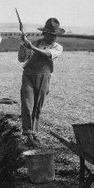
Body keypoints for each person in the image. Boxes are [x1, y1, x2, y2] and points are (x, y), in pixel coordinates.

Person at [18, 18, 64, 146]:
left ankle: (34, 133)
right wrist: (23, 44)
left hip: (44, 77)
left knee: (38, 106)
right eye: (51, 34)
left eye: (55, 35)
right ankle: (28, 134)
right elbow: (21, 59)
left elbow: (48, 54)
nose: (54, 37)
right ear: (45, 33)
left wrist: (32, 47)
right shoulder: (34, 43)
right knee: (27, 105)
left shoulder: (57, 47)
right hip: (28, 75)